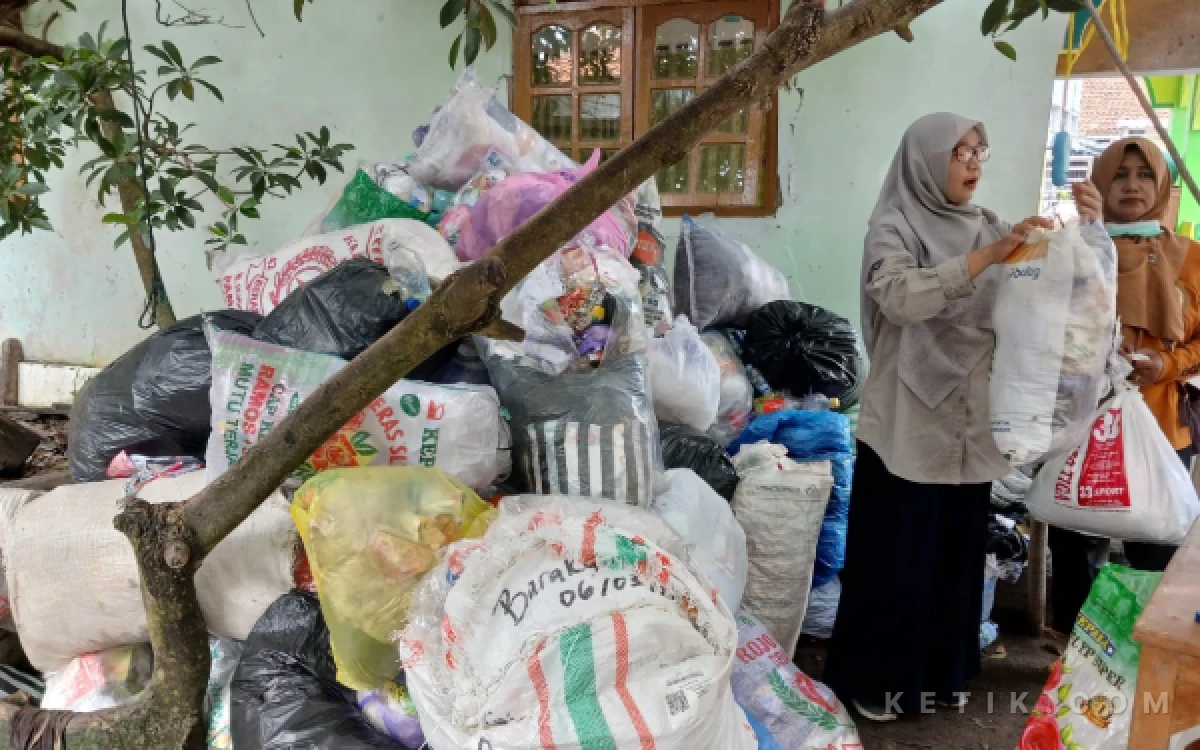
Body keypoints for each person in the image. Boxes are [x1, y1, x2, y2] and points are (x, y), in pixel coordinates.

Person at [823, 113, 1059, 722]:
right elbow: (901, 298)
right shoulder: (893, 224)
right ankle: (879, 684)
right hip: (907, 425)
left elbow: (1031, 289)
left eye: (980, 148)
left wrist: (1059, 241)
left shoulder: (988, 225)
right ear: (926, 158)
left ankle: (939, 675)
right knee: (897, 561)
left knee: (954, 559)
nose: (974, 161)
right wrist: (986, 259)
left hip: (966, 424)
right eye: (959, 151)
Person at [1047, 137, 1200, 633]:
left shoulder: (1191, 257)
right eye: (1120, 174)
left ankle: (1144, 659)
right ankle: (1075, 661)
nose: (1132, 185)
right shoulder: (1077, 248)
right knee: (1074, 547)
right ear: (1100, 183)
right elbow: (1043, 325)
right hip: (1082, 426)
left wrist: (1168, 362)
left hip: (1160, 428)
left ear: (1162, 186)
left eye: (1145, 175)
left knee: (1155, 554)